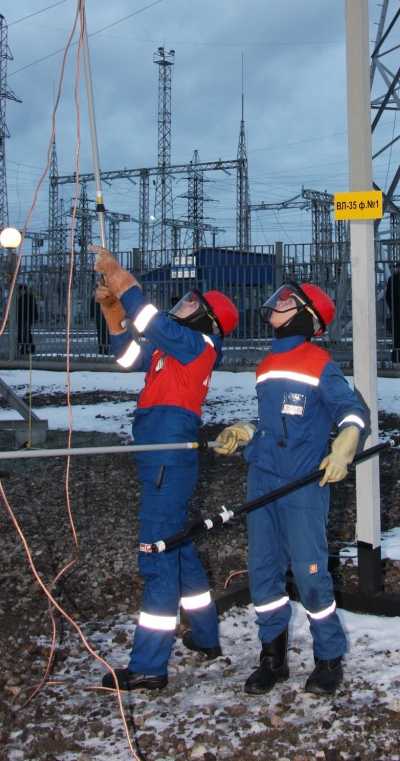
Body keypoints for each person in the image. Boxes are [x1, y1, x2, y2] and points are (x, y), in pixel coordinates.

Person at [89, 245, 239, 693]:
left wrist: (119, 276)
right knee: (178, 543)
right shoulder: (170, 350)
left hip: (167, 453)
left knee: (155, 554)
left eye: (192, 304)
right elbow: (126, 357)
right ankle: (206, 637)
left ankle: (149, 666)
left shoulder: (197, 345)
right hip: (158, 452)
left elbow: (150, 319)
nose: (182, 307)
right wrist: (114, 311)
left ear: (208, 320)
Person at [215, 282, 369, 696]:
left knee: (310, 572)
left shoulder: (320, 363)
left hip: (303, 483)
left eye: (288, 300)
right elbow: (273, 423)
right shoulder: (266, 365)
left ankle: (329, 657)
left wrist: (344, 446)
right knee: (264, 570)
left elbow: (352, 412)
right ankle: (273, 658)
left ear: (308, 317)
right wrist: (244, 431)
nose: (278, 303)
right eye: (280, 298)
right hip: (263, 477)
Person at [16, 284, 38, 356]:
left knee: (25, 332)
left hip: (27, 318)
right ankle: (30, 347)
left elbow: (34, 307)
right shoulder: (20, 299)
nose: (20, 292)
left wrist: (35, 317)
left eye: (20, 290)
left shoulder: (29, 297)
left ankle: (24, 347)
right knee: (25, 332)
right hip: (22, 318)